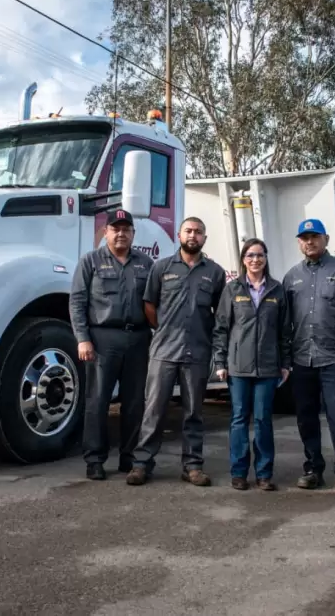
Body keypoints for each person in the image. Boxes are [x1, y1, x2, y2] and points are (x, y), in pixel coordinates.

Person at [126, 217, 227, 487]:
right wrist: (163, 329)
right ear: (180, 236)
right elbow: (149, 305)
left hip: (198, 352)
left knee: (193, 412)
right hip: (163, 351)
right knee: (154, 411)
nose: (193, 235)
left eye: (198, 232)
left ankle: (192, 466)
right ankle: (142, 464)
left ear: (205, 238)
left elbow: (221, 314)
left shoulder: (215, 273)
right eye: (188, 231)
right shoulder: (161, 268)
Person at [282, 218, 335, 496]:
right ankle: (312, 469)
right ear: (299, 242)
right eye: (304, 237)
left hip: (333, 358)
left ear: (326, 239)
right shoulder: (292, 276)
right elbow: (284, 323)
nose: (310, 242)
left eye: (315, 236)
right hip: (301, 359)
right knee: (306, 417)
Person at [69, 209, 154, 480]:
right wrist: (82, 338)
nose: (121, 233)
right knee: (97, 401)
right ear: (105, 232)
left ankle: (129, 458)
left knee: (134, 403)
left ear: (133, 234)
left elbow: (155, 302)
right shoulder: (90, 261)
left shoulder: (146, 263)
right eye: (115, 229)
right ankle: (94, 459)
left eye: (126, 229)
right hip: (102, 339)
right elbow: (77, 302)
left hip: (138, 339)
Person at [212, 238, 291, 492]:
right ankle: (238, 473)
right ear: (243, 259)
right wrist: (221, 361)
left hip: (268, 368)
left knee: (263, 420)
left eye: (260, 255)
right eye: (250, 255)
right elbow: (221, 328)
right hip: (238, 367)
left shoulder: (277, 291)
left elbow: (284, 331)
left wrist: (286, 363)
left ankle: (264, 474)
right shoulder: (232, 289)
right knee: (238, 419)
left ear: (266, 259)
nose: (255, 260)